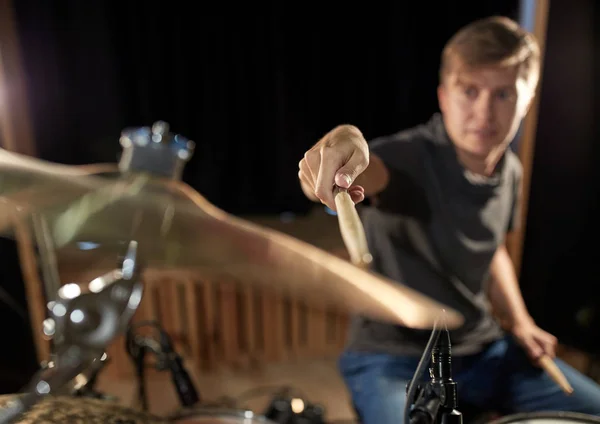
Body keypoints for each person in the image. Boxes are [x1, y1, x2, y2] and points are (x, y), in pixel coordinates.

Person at [297, 16, 600, 424]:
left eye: (504, 94)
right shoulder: (406, 159)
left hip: (484, 349)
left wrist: (522, 322)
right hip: (392, 358)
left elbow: (492, 250)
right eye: (469, 91)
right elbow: (359, 169)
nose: (483, 111)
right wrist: (341, 142)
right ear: (443, 95)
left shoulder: (510, 171)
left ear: (527, 101)